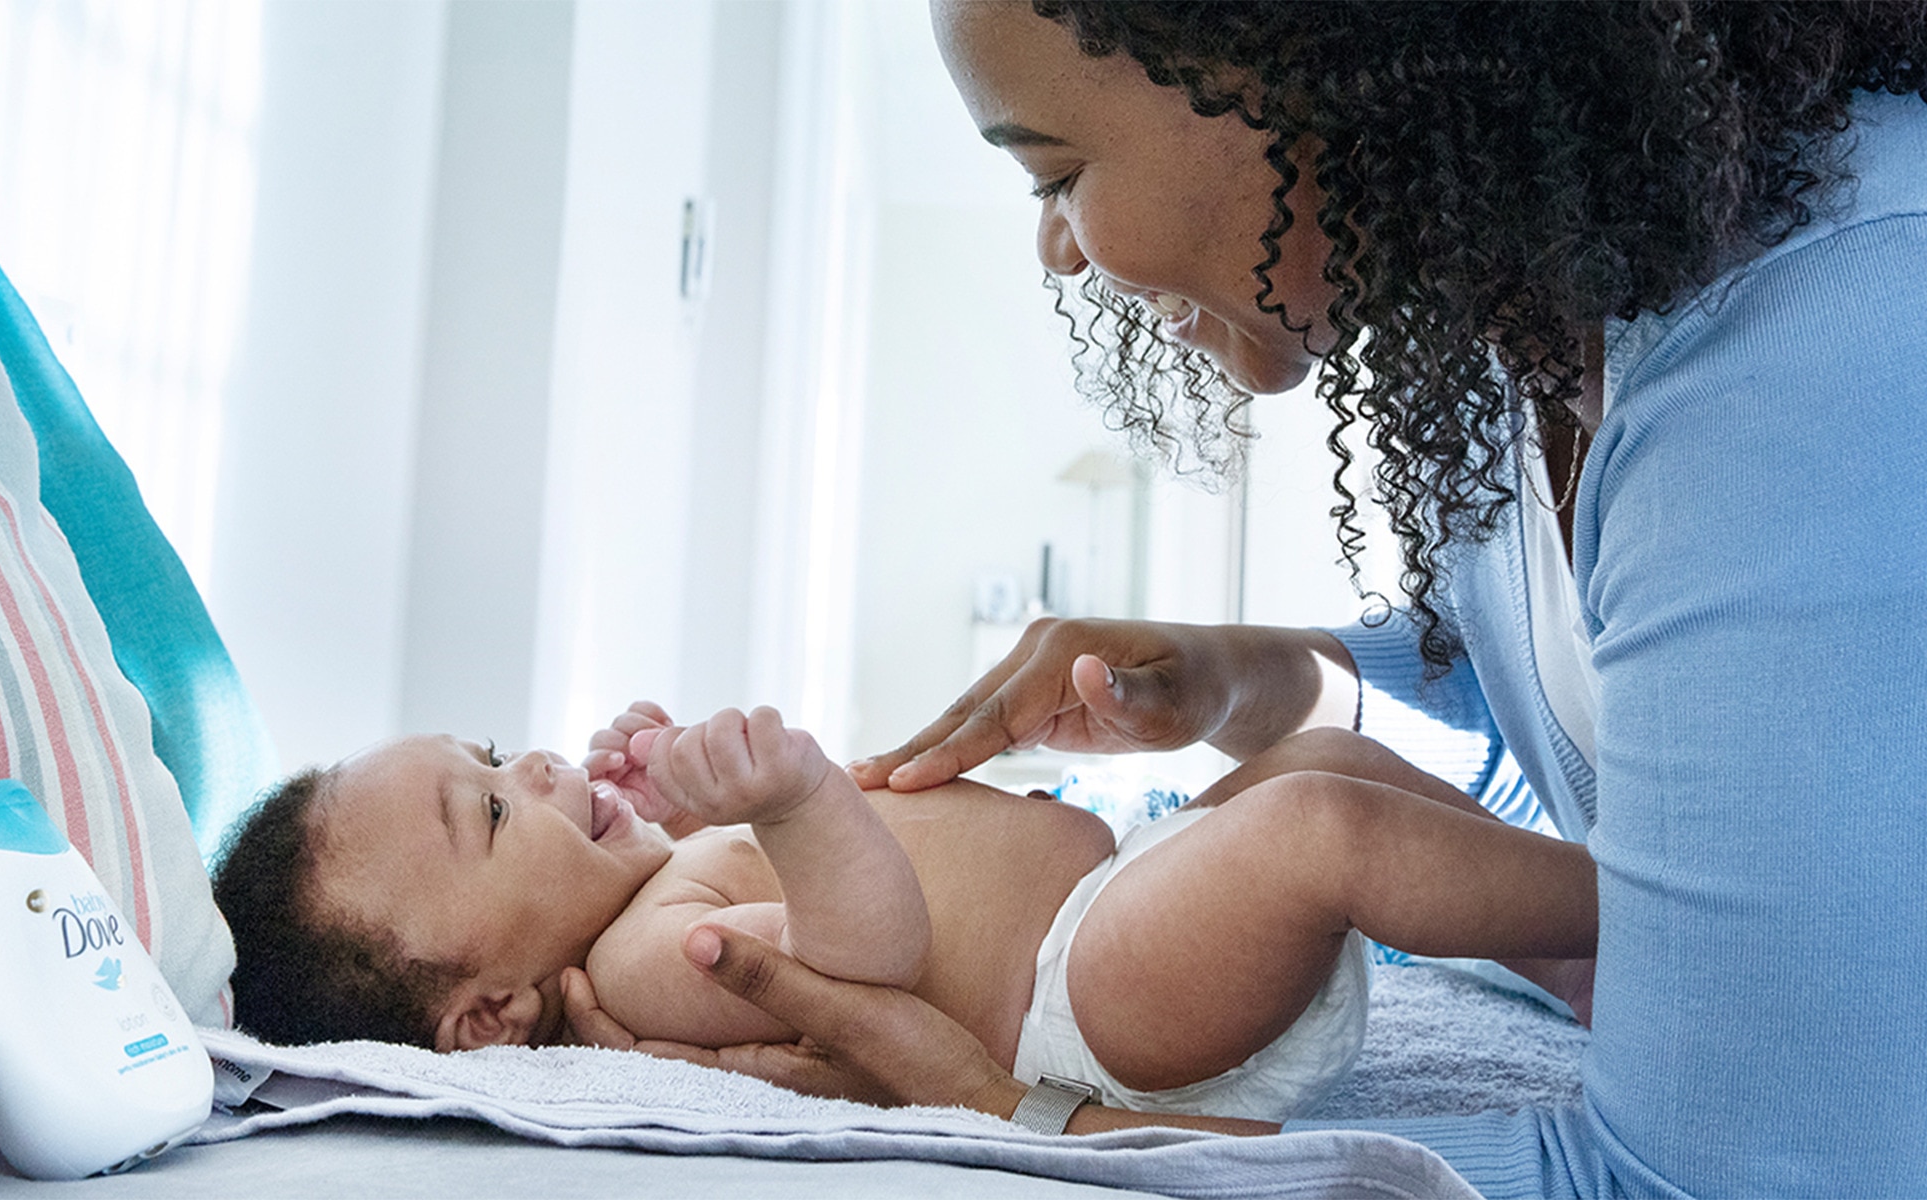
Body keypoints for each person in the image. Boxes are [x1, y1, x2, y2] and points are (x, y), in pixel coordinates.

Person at [585, 2, 1927, 1196]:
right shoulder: (1525, 320)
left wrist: (1023, 1116)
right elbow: (1606, 702)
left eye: (1056, 170)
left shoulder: (1822, 360)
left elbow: (1716, 1178)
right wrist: (1261, 675)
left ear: (1310, 58)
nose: (1058, 251)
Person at [211, 701, 1593, 1122]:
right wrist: (798, 798)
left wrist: (688, 802)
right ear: (486, 1015)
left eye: (490, 751)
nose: (538, 768)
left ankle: (1582, 960)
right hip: (1097, 998)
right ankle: (1652, 914)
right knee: (1319, 830)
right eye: (494, 812)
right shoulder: (641, 966)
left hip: (1125, 897)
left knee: (1309, 767)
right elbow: (867, 962)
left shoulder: (661, 880)